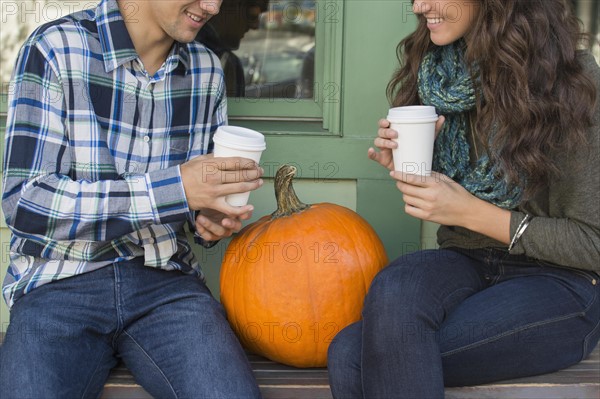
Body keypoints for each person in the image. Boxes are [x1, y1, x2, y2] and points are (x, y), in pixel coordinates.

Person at [327, 0, 600, 398]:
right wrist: (412, 164)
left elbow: (592, 242)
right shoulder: (438, 74)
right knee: (394, 283)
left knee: (352, 355)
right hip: (467, 260)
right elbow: (450, 198)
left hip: (560, 282)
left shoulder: (569, 79)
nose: (419, 6)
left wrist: (469, 211)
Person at [0, 0, 264, 398]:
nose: (212, 6)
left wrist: (209, 219)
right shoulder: (55, 47)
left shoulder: (206, 70)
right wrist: (174, 190)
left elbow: (195, 206)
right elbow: (26, 202)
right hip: (59, 284)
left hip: (167, 288)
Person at [196, 0, 269, 97]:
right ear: (228, 9)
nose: (255, 26)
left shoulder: (181, 48)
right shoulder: (225, 62)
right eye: (251, 16)